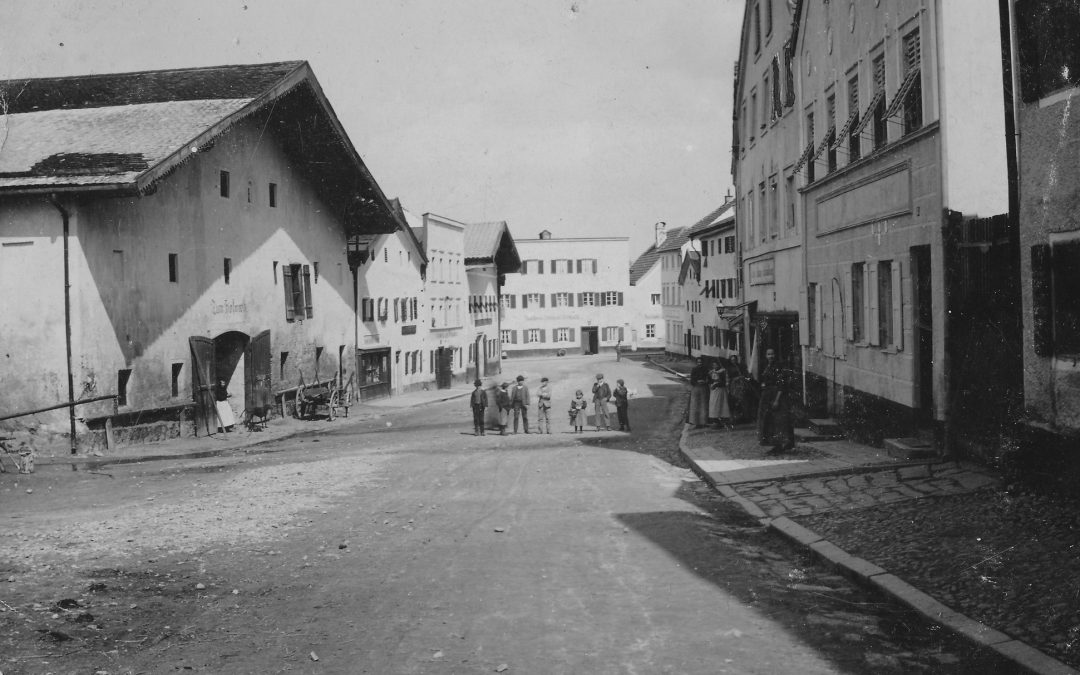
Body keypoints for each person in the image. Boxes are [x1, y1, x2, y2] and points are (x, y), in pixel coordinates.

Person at [758, 348, 795, 453]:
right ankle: (775, 444)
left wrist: (777, 400)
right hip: (767, 397)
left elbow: (781, 385)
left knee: (779, 422)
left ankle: (780, 445)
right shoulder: (767, 366)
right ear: (766, 356)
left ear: (775, 355)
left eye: (772, 354)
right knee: (769, 422)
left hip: (777, 396)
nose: (771, 356)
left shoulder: (778, 367)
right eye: (768, 354)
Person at [708, 360, 733, 430]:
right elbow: (710, 379)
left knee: (720, 404)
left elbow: (724, 382)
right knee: (714, 405)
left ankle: (723, 420)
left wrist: (716, 385)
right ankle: (716, 421)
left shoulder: (722, 371)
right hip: (714, 391)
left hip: (720, 390)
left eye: (716, 365)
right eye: (713, 365)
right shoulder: (712, 371)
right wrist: (711, 383)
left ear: (719, 365)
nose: (714, 366)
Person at [687, 357, 710, 427]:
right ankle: (696, 423)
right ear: (696, 363)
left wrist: (705, 381)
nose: (700, 363)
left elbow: (709, 378)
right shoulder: (694, 369)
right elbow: (692, 380)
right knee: (696, 406)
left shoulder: (706, 369)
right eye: (698, 362)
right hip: (696, 389)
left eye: (701, 362)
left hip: (704, 388)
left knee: (704, 405)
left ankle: (704, 422)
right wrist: (697, 381)